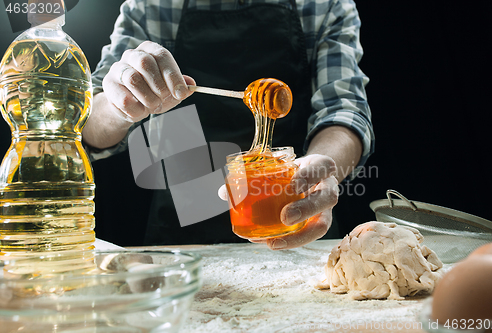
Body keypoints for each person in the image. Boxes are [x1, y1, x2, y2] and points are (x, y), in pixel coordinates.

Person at [82, 0, 375, 250]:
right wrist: (121, 104)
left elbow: (344, 111)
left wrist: (324, 169)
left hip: (296, 221)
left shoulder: (323, 4)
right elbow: (87, 124)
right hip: (183, 239)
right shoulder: (152, 5)